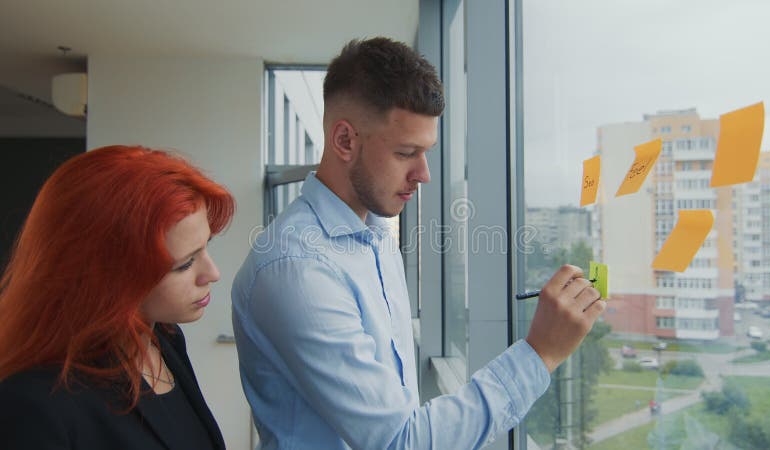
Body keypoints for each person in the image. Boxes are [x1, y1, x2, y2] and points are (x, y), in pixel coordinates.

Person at [232, 37, 605, 449]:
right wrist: (540, 353)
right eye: (406, 152)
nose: (423, 173)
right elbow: (400, 440)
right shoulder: (296, 268)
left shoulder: (374, 234)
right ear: (344, 141)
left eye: (426, 151)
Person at [0, 145, 234, 449]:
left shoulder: (163, 339)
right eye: (185, 264)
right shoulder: (33, 406)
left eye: (206, 246)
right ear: (109, 275)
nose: (212, 273)